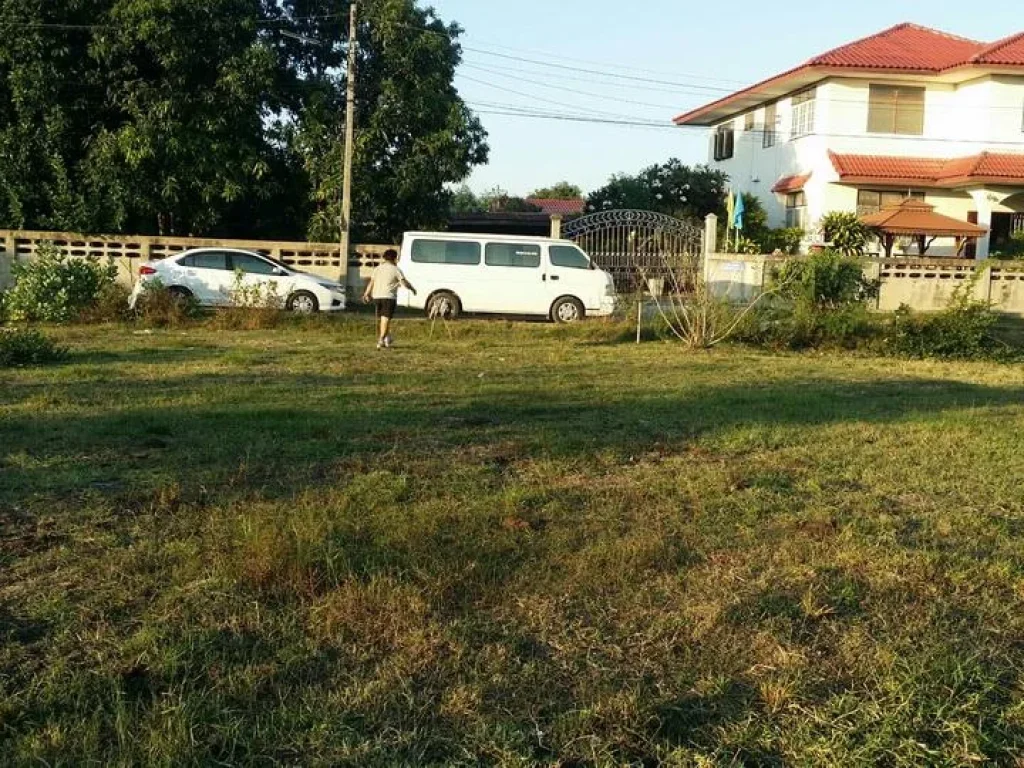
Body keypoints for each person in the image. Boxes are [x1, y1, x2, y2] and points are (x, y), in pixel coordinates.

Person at [362, 248, 416, 349]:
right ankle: (381, 340)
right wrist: (412, 289)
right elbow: (404, 282)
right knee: (385, 319)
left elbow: (371, 282)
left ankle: (387, 338)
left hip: (376, 297)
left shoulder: (377, 268)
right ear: (395, 258)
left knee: (383, 319)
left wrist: (366, 294)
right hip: (388, 297)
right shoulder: (396, 269)